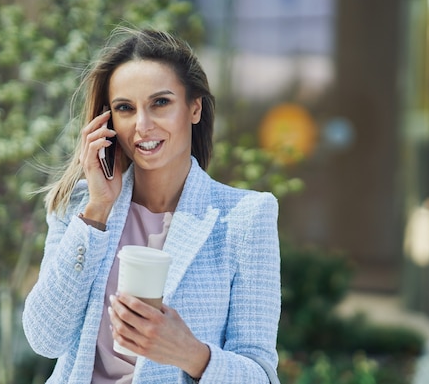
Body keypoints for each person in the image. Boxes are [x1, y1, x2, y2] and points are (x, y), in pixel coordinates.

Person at [22, 28, 281, 384]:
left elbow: (261, 376)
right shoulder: (80, 207)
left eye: (160, 103)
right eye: (125, 108)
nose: (142, 126)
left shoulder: (245, 218)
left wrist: (189, 353)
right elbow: (43, 339)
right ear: (108, 121)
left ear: (194, 107)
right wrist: (97, 211)